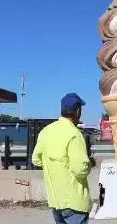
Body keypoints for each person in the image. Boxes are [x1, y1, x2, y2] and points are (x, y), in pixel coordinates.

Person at [32, 93, 92, 224]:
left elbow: (36, 159)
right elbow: (80, 169)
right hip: (75, 202)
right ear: (78, 111)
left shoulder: (46, 131)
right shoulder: (74, 134)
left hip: (55, 201)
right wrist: (90, 163)